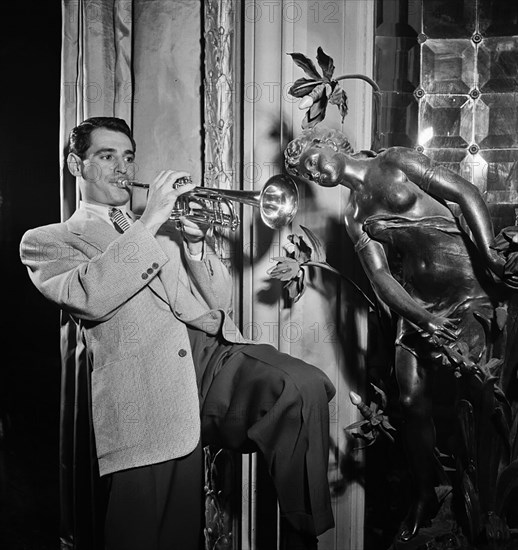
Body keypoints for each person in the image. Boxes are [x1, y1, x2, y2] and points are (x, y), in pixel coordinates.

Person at [19, 117, 336, 550]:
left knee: (304, 386)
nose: (122, 168)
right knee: (155, 535)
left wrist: (194, 245)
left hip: (208, 356)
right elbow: (89, 296)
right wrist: (148, 224)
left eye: (127, 157)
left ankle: (306, 534)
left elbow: (217, 299)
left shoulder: (159, 227)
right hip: (147, 389)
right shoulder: (49, 240)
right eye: (106, 156)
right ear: (78, 165)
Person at [284, 127, 513, 542]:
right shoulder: (354, 216)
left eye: (313, 158)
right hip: (419, 305)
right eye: (307, 174)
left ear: (332, 143)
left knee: (483, 394)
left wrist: (490, 255)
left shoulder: (393, 160)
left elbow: (464, 193)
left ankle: (493, 502)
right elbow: (381, 278)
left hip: (466, 289)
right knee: (409, 396)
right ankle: (425, 494)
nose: (314, 171)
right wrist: (420, 316)